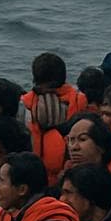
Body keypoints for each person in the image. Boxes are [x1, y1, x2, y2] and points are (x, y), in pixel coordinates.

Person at [21, 52, 87, 183]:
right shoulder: (79, 99)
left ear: (35, 79)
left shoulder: (27, 102)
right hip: (69, 172)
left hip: (35, 172)